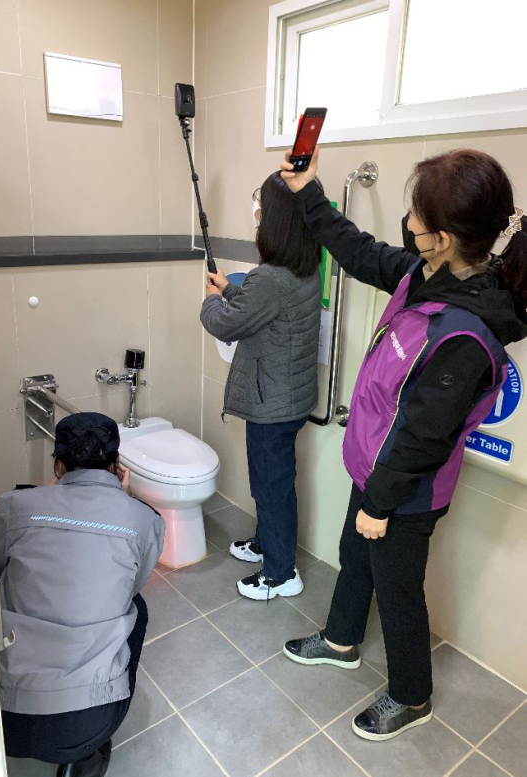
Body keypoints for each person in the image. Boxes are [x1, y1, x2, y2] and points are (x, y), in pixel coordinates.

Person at [280, 147, 527, 740]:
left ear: (443, 237)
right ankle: (341, 641)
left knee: (397, 591)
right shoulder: (427, 274)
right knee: (355, 555)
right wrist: (309, 192)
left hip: (406, 491)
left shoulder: (465, 334)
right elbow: (360, 251)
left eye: (416, 215)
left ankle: (412, 696)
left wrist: (380, 503)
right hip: (377, 469)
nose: (408, 222)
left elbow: (423, 438)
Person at [0, 412, 165, 776]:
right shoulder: (145, 520)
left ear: (58, 464)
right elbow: (130, 586)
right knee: (136, 608)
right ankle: (87, 758)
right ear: (117, 465)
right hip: (88, 724)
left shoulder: (15, 506)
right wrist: (121, 501)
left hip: (2, 718)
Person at [200, 172, 322, 601]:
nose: (257, 213)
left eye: (262, 206)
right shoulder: (304, 266)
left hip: (270, 403)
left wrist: (210, 299)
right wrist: (229, 287)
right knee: (273, 481)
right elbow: (263, 307)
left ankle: (280, 573)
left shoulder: (270, 277)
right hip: (289, 396)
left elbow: (225, 323)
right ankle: (267, 543)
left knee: (271, 487)